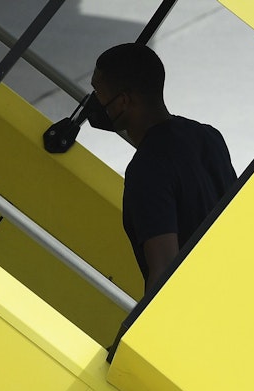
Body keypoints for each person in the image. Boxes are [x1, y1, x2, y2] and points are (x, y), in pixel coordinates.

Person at [88, 43, 237, 296]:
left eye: (98, 93)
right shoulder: (207, 135)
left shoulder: (147, 169)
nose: (94, 103)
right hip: (230, 289)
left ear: (123, 101)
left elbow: (164, 269)